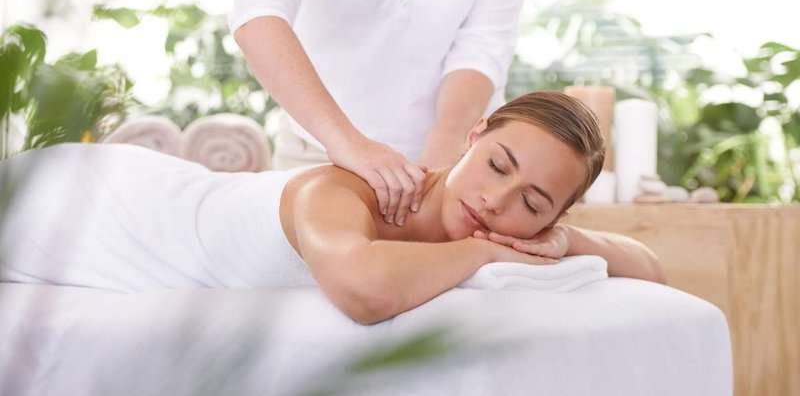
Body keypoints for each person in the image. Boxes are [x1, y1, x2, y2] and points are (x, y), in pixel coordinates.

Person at [0, 92, 666, 325]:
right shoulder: (353, 190)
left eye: (532, 202)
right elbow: (362, 290)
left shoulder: (530, 226)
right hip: (84, 203)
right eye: (498, 165)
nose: (497, 200)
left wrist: (568, 241)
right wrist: (485, 248)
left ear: (551, 217)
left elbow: (650, 269)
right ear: (475, 136)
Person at [230, 0, 536, 228]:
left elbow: (484, 42)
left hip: (454, 166)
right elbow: (259, 14)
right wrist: (348, 144)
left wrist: (438, 165)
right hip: (321, 153)